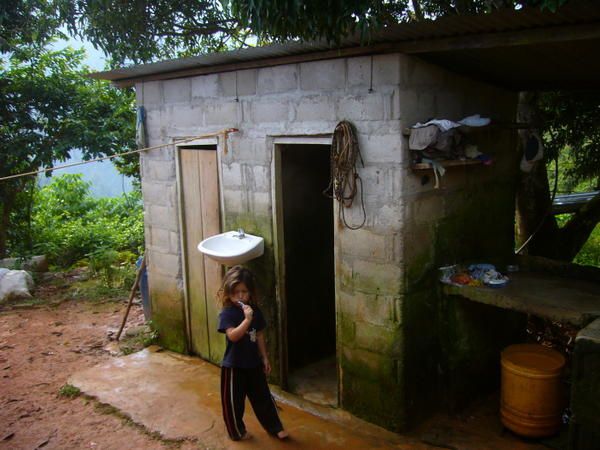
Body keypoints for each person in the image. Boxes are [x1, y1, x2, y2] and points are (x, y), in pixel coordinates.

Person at [217, 265, 289, 441]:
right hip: (234, 366)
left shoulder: (255, 311)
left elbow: (260, 335)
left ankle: (275, 427)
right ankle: (236, 431)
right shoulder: (228, 313)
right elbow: (233, 336)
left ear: (250, 293)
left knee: (263, 397)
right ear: (228, 292)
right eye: (236, 292)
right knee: (234, 402)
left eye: (244, 292)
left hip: (253, 363)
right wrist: (247, 320)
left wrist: (264, 357)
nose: (240, 296)